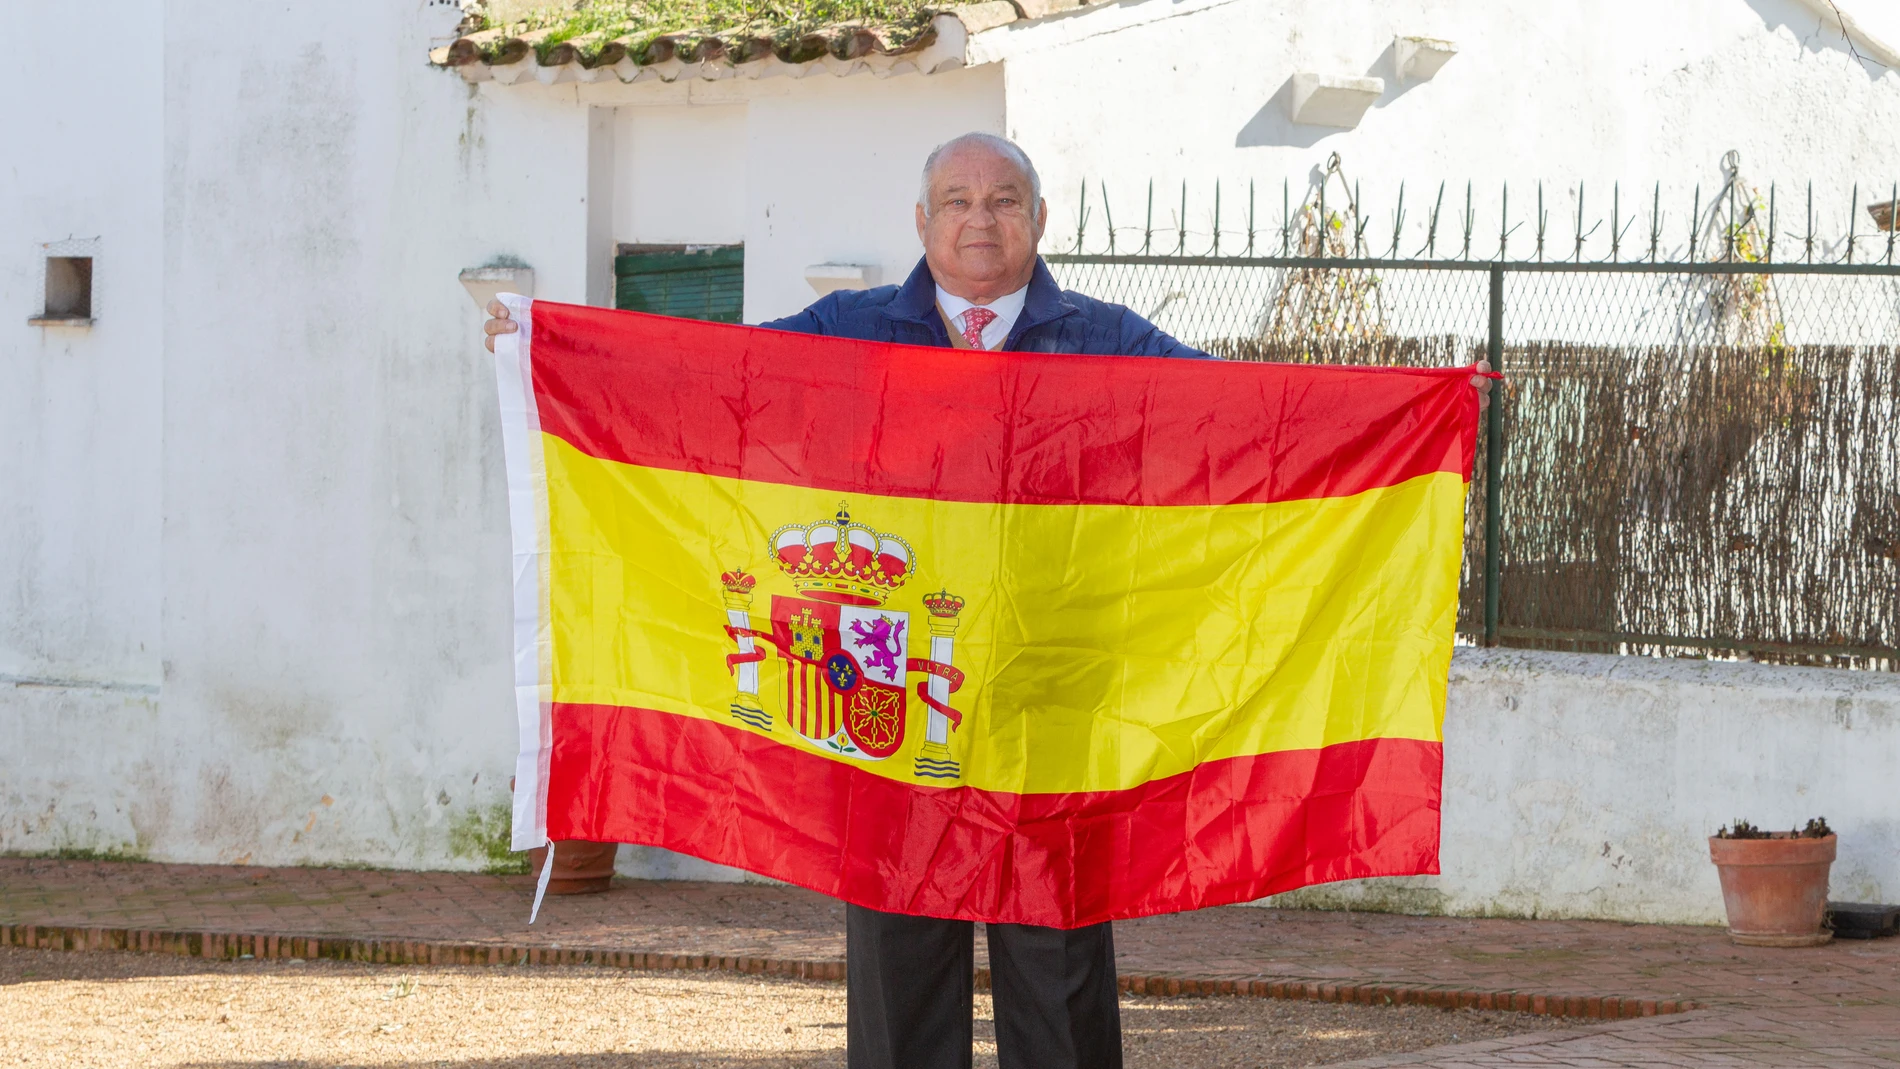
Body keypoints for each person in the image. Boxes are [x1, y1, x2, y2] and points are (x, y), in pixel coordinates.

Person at [485, 132, 1492, 1069]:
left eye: (1003, 200)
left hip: (1050, 701)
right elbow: (718, 387)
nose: (980, 219)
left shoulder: (1105, 343)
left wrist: (1414, 414)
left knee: (1055, 958)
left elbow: (1244, 432)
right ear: (920, 223)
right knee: (896, 950)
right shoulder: (847, 334)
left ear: (1039, 221)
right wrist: (544, 344)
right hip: (892, 702)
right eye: (956, 200)